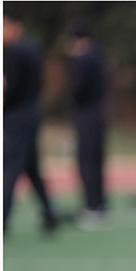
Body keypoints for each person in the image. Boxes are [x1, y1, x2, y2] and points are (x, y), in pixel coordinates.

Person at [3, 13, 58, 235]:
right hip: (31, 112)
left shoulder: (14, 52)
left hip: (17, 115)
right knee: (31, 168)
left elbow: (12, 89)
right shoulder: (32, 48)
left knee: (10, 168)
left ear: (15, 26)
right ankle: (49, 213)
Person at [66, 19, 108, 229]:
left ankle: (91, 206)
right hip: (99, 113)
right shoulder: (98, 55)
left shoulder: (81, 59)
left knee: (86, 161)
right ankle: (100, 204)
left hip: (85, 115)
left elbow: (77, 90)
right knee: (97, 160)